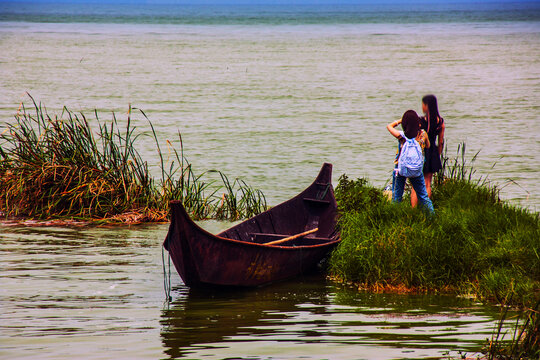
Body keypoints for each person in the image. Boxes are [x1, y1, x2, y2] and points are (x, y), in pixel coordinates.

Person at [387, 110, 434, 214]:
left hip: (400, 169)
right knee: (423, 197)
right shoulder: (423, 134)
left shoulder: (402, 136)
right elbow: (428, 146)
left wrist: (399, 121)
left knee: (396, 196)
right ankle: (432, 217)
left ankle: (395, 219)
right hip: (416, 170)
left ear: (405, 124)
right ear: (418, 123)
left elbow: (389, 126)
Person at [411, 94, 445, 207]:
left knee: (415, 184)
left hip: (421, 151)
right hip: (433, 152)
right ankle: (425, 207)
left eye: (423, 104)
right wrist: (437, 154)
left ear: (426, 106)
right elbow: (440, 141)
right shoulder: (440, 121)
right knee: (427, 183)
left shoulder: (420, 121)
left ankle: (413, 209)